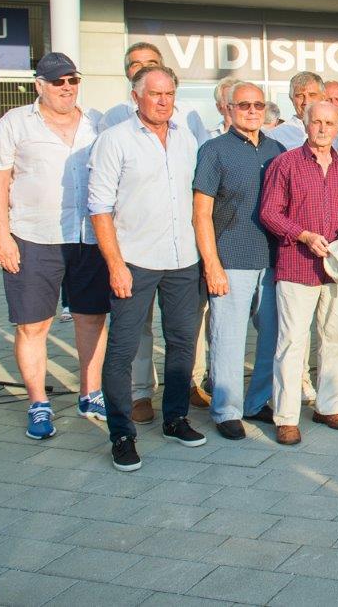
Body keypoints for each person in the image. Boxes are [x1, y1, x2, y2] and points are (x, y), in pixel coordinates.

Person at [90, 66, 207, 471]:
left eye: (169, 94)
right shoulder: (114, 140)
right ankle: (122, 433)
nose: (163, 100)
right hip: (135, 261)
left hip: (182, 261)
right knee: (122, 350)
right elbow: (100, 209)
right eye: (155, 93)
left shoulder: (187, 139)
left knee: (182, 345)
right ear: (136, 95)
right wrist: (115, 264)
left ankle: (175, 418)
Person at [0, 53, 108, 439]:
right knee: (33, 324)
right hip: (33, 237)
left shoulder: (96, 123)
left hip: (87, 238)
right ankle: (38, 403)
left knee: (92, 318)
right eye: (58, 82)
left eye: (73, 80)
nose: (67, 88)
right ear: (39, 84)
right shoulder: (15, 123)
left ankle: (91, 393)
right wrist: (2, 236)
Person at [259, 100, 338, 445]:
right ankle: (286, 416)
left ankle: (329, 404)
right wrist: (302, 235)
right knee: (292, 343)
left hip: (335, 270)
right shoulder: (285, 164)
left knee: (336, 338)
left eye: (329, 123)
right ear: (305, 124)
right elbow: (269, 213)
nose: (322, 128)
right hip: (296, 265)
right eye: (316, 122)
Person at [192, 82, 285, 440]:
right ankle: (226, 409)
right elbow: (201, 213)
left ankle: (257, 401)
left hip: (272, 259)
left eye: (258, 105)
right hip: (230, 258)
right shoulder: (214, 150)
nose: (252, 110)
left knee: (271, 337)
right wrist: (211, 264)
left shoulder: (278, 150)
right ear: (228, 109)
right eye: (244, 104)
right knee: (228, 338)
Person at [269, 71, 325, 150]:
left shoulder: (337, 131)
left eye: (312, 95)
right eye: (300, 96)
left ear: (323, 97)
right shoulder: (275, 136)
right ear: (292, 99)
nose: (306, 102)